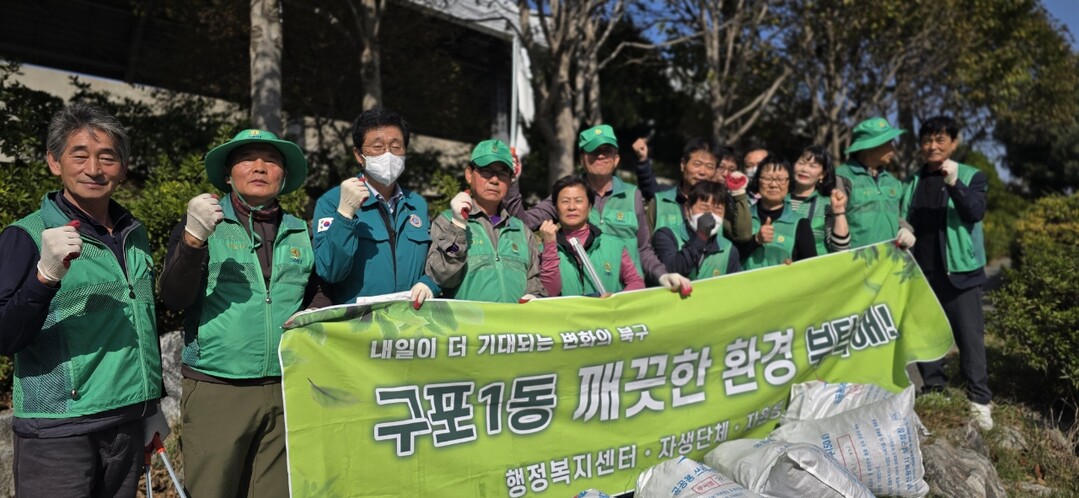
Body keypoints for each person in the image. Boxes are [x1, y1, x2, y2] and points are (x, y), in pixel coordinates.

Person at [0, 103, 164, 496]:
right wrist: (45, 276)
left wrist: (152, 404)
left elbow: (143, 320)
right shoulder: (26, 235)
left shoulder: (134, 234)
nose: (94, 169)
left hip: (127, 421)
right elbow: (5, 337)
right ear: (54, 162)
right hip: (59, 430)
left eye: (107, 157)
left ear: (123, 168)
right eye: (80, 155)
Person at [159, 129, 319, 498]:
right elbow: (174, 296)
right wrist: (193, 240)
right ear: (228, 174)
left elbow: (318, 289)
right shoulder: (203, 223)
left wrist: (312, 313)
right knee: (212, 490)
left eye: (272, 160)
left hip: (284, 386)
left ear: (284, 176)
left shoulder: (300, 230)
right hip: (219, 386)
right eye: (247, 159)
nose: (260, 167)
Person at [503, 125, 691, 295]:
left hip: (625, 300)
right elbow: (522, 224)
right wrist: (512, 183)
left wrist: (662, 275)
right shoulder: (567, 194)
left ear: (616, 159)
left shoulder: (633, 195)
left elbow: (643, 249)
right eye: (594, 151)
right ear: (582, 159)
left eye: (606, 151)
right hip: (577, 301)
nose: (600, 156)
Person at [901, 116, 993, 430]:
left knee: (970, 338)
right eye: (927, 140)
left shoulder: (971, 175)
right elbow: (903, 216)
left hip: (960, 271)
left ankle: (979, 400)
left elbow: (974, 212)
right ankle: (935, 389)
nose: (933, 146)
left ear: (954, 142)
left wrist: (954, 183)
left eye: (940, 140)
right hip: (921, 272)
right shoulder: (912, 181)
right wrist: (904, 229)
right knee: (926, 336)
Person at [312, 108, 438, 308]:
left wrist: (429, 283)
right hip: (359, 322)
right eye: (377, 147)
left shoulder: (417, 204)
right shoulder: (332, 201)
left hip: (410, 320)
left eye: (396, 146)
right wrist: (344, 215)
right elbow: (330, 271)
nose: (388, 155)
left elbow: (434, 261)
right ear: (359, 155)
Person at [427, 139, 546, 303]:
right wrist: (457, 226)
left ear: (510, 180)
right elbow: (440, 277)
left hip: (515, 320)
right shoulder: (447, 221)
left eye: (502, 173)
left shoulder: (521, 230)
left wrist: (535, 295)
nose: (494, 180)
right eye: (486, 171)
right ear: (469, 174)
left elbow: (534, 282)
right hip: (466, 320)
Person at [538, 175, 646, 296]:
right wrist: (550, 246)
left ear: (590, 206)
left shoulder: (615, 245)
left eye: (578, 201)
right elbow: (549, 292)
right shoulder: (544, 249)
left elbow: (637, 282)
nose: (572, 207)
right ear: (556, 208)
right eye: (565, 201)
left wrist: (615, 298)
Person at [835, 117, 915, 249]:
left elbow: (893, 215)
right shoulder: (841, 178)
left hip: (889, 257)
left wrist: (905, 229)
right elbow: (831, 221)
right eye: (888, 143)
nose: (893, 148)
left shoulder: (893, 182)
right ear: (869, 146)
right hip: (855, 258)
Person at [651, 138, 752, 243]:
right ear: (683, 164)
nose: (702, 172)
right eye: (697, 164)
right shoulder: (660, 202)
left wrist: (739, 193)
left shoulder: (720, 205)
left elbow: (743, 235)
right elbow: (645, 245)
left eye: (709, 167)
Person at [739, 156, 817, 269]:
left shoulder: (800, 223)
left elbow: (811, 267)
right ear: (757, 181)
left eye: (780, 180)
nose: (773, 185)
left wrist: (794, 267)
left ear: (789, 183)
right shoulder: (742, 217)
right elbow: (728, 259)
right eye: (767, 178)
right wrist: (756, 240)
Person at [653, 181, 742, 280]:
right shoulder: (666, 235)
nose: (710, 215)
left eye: (717, 210)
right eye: (704, 208)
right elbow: (671, 271)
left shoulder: (728, 249)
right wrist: (701, 236)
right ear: (687, 210)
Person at [789, 145, 851, 255]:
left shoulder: (827, 204)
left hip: (814, 264)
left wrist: (839, 212)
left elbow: (841, 248)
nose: (804, 169)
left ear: (822, 174)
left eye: (813, 166)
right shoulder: (778, 199)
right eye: (801, 163)